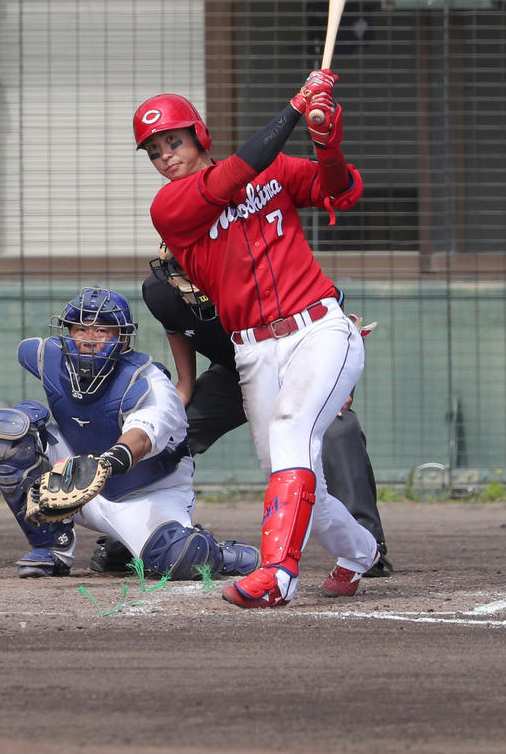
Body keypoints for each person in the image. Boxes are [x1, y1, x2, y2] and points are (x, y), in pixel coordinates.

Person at [135, 71, 381, 608]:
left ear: (199, 134)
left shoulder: (273, 171)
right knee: (288, 476)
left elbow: (340, 190)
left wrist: (326, 141)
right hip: (253, 351)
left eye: (173, 141)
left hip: (319, 327)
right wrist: (296, 108)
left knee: (294, 432)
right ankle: (359, 551)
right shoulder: (171, 207)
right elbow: (230, 182)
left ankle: (277, 575)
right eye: (154, 151)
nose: (165, 156)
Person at [141, 244, 392, 577]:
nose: (185, 272)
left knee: (339, 430)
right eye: (179, 264)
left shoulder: (261, 272)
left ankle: (367, 545)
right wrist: (184, 387)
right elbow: (178, 329)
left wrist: (340, 387)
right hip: (236, 373)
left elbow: (333, 324)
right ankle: (137, 539)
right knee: (172, 430)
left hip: (295, 367)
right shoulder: (160, 290)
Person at [0, 286, 259, 581]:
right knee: (9, 429)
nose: (89, 340)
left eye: (102, 330)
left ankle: (217, 552)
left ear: (123, 338)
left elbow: (140, 438)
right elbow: (27, 349)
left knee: (180, 558)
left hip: (147, 494)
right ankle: (52, 547)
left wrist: (102, 466)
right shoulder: (48, 358)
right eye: (80, 329)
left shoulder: (149, 382)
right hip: (76, 485)